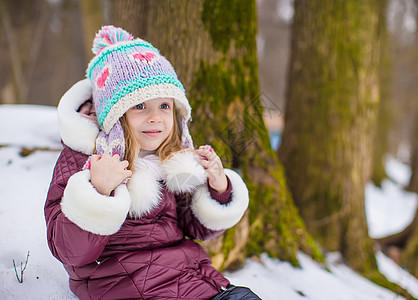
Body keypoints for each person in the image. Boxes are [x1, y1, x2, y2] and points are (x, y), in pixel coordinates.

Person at [45, 25, 261, 300]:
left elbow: (193, 226)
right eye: (139, 106)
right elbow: (70, 251)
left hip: (199, 282)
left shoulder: (169, 158)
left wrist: (218, 188)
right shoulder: (86, 161)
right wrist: (97, 192)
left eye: (164, 106)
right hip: (128, 287)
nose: (155, 118)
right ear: (115, 114)